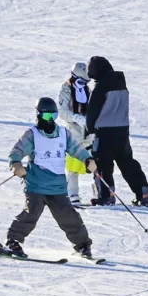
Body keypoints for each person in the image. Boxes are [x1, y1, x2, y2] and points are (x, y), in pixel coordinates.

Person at [0, 97, 97, 259]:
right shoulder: (32, 135)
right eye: (46, 117)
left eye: (53, 116)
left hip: (57, 186)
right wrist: (16, 164)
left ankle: (82, 244)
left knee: (68, 215)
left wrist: (88, 159)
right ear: (38, 116)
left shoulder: (63, 134)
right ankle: (13, 241)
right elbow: (16, 151)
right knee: (31, 213)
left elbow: (76, 149)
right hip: (36, 185)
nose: (50, 120)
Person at [85, 56, 148, 206]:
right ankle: (143, 191)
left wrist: (89, 129)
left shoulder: (100, 88)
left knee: (102, 164)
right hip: (122, 131)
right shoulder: (122, 85)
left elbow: (93, 112)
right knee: (127, 162)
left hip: (104, 132)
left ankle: (106, 195)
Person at [57, 62, 94, 207]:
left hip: (88, 131)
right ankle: (72, 194)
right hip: (73, 131)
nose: (83, 84)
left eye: (86, 82)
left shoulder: (87, 91)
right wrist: (75, 118)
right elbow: (62, 111)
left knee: (93, 161)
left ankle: (100, 193)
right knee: (73, 164)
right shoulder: (66, 90)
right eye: (81, 81)